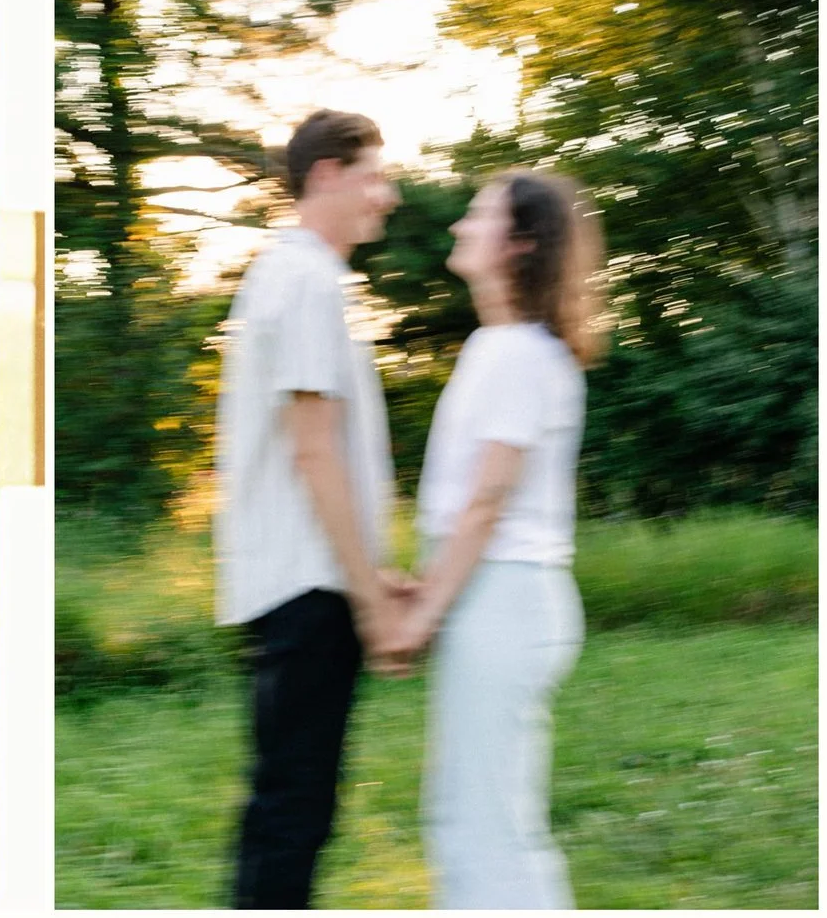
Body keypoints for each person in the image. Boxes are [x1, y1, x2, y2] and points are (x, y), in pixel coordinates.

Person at [213, 108, 412, 908]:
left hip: (310, 582)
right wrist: (368, 598)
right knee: (292, 816)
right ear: (326, 175)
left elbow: (329, 455)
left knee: (292, 809)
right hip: (307, 591)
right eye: (373, 175)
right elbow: (313, 449)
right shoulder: (304, 280)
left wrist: (371, 572)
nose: (387, 196)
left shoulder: (298, 277)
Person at [393, 170, 604, 908]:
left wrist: (423, 613)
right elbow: (469, 508)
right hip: (498, 597)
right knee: (478, 819)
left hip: (505, 601)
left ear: (518, 244)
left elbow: (487, 500)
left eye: (477, 217)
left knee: (484, 829)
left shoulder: (516, 352)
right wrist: (426, 588)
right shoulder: (509, 346)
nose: (457, 228)